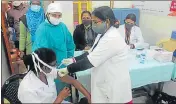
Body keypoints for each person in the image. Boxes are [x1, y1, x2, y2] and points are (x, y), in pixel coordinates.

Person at [58, 6, 133, 103]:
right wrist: (74, 60)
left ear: (107, 21)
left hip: (113, 85)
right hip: (105, 80)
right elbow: (90, 53)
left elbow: (89, 62)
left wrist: (68, 69)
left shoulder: (112, 38)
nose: (92, 24)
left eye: (95, 22)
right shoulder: (102, 34)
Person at [32, 2, 75, 101]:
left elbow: (70, 44)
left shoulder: (62, 27)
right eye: (54, 15)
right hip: (48, 70)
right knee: (51, 94)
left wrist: (68, 59)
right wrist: (48, 67)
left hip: (63, 67)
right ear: (48, 14)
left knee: (64, 92)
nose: (57, 17)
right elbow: (38, 52)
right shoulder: (42, 29)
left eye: (59, 15)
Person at [18, 48, 91, 103]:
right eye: (53, 65)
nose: (56, 66)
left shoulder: (47, 71)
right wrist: (60, 98)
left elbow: (73, 81)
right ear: (43, 67)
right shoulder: (27, 89)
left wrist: (89, 97)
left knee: (85, 100)